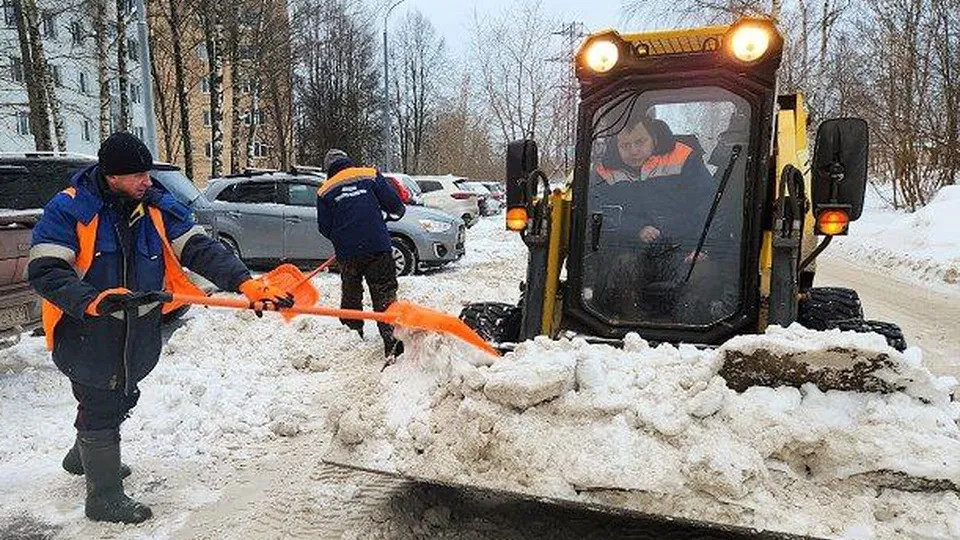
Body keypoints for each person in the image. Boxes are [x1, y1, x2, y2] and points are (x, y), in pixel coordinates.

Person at [28, 132, 293, 524]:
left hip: (140, 327)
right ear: (111, 175)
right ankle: (103, 498)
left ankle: (83, 455)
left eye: (147, 173)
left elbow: (200, 249)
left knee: (123, 393)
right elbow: (46, 269)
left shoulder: (156, 207)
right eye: (137, 175)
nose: (147, 182)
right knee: (101, 399)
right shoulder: (70, 209)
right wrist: (90, 300)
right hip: (89, 328)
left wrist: (245, 282)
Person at [590, 113, 718, 320]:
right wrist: (636, 229)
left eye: (640, 142)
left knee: (702, 275)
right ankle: (630, 330)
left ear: (654, 139)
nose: (633, 150)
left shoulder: (685, 160)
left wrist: (704, 247)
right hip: (635, 250)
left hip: (686, 248)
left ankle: (687, 331)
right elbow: (597, 213)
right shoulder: (604, 172)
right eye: (625, 145)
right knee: (621, 270)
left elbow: (710, 205)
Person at [316, 149, 406, 358]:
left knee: (351, 292)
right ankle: (392, 345)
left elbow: (324, 227)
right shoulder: (370, 175)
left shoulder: (325, 190)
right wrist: (393, 214)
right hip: (377, 246)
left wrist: (343, 237)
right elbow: (394, 205)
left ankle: (352, 333)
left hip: (347, 253)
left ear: (329, 168)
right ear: (349, 161)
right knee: (384, 293)